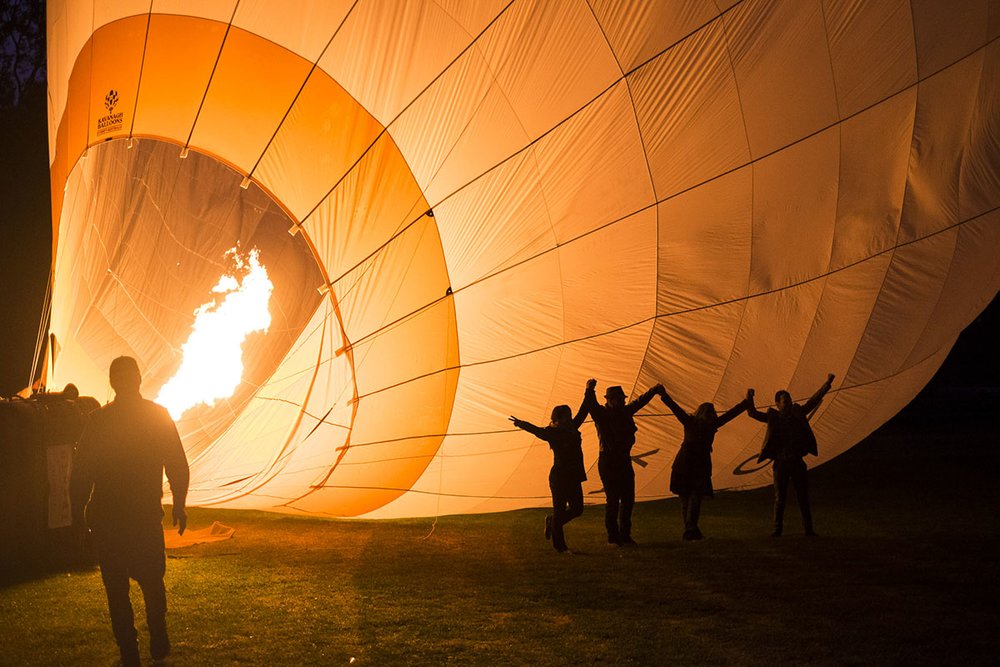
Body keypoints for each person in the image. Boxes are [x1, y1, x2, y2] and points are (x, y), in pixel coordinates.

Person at [71, 356, 190, 666]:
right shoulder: (157, 416)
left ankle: (129, 651)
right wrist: (179, 503)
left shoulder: (99, 421)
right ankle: (157, 633)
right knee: (152, 581)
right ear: (139, 379)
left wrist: (79, 517)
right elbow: (177, 463)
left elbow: (81, 474)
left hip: (109, 519)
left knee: (117, 590)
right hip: (143, 517)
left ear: (112, 382)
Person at [746, 374, 835, 537]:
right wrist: (749, 397)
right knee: (780, 498)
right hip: (781, 463)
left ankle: (808, 529)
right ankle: (777, 529)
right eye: (785, 401)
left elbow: (814, 400)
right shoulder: (773, 418)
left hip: (796, 461)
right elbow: (752, 413)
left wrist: (827, 384)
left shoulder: (798, 413)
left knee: (803, 497)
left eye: (789, 400)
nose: (789, 403)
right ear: (778, 404)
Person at [658, 387, 749, 541]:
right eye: (709, 413)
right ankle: (691, 530)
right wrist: (664, 396)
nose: (710, 415)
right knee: (690, 499)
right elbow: (676, 409)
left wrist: (745, 403)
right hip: (690, 466)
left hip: (688, 465)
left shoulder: (698, 423)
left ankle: (690, 531)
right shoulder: (703, 424)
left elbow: (731, 414)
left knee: (690, 500)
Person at [583, 378, 661, 545]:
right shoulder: (602, 414)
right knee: (613, 500)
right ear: (611, 400)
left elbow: (640, 401)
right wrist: (589, 390)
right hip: (609, 460)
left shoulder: (623, 411)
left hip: (622, 459)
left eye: (623, 399)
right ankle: (613, 536)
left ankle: (624, 535)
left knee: (627, 499)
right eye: (620, 399)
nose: (623, 401)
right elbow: (592, 405)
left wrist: (654, 390)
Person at [510, 393, 588, 553]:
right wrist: (521, 423)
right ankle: (560, 547)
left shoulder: (572, 427)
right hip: (559, 477)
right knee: (560, 510)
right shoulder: (552, 432)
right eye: (566, 416)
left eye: (570, 416)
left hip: (573, 475)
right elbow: (536, 431)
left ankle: (552, 522)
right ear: (558, 418)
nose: (569, 419)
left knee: (577, 509)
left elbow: (583, 411)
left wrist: (589, 391)